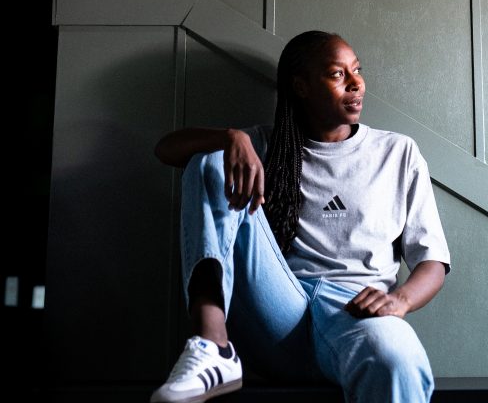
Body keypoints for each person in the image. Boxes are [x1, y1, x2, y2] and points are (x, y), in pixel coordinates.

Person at [151, 29, 450, 402]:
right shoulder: (265, 145)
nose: (356, 83)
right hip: (278, 316)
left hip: (355, 316)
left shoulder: (397, 152)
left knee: (396, 359)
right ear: (302, 87)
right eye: (338, 74)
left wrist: (400, 300)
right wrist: (231, 138)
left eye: (357, 70)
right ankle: (213, 346)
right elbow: (167, 149)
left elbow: (432, 260)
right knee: (211, 161)